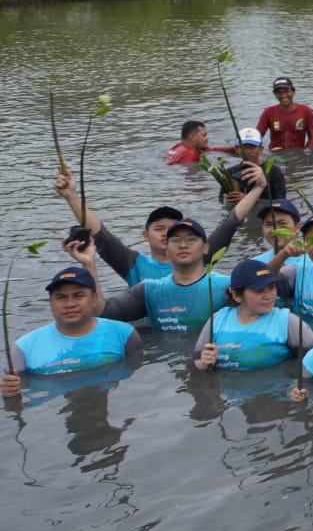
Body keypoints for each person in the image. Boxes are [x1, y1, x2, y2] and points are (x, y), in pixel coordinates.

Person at [53, 168, 259, 286]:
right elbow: (101, 234)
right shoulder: (133, 264)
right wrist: (71, 196)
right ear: (145, 235)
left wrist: (259, 187)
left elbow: (231, 222)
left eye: (174, 230)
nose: (167, 233)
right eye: (159, 228)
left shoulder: (197, 255)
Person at [2, 265, 141, 399]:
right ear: (50, 302)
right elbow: (17, 400)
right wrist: (10, 394)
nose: (70, 304)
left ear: (94, 299)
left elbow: (138, 384)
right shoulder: (23, 349)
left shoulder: (124, 335)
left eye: (78, 295)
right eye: (61, 297)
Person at [97, 218, 234, 332]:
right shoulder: (149, 290)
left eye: (191, 239)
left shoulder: (229, 286)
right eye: (175, 240)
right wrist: (88, 264)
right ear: (167, 250)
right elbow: (104, 312)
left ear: (206, 248)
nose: (183, 245)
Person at [191, 259, 313, 372]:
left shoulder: (289, 323)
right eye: (259, 290)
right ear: (236, 295)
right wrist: (204, 364)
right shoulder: (217, 320)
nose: (268, 296)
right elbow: (197, 360)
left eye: (272, 287)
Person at [216, 128, 287, 204]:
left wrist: (248, 199)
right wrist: (228, 199)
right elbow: (221, 199)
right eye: (244, 147)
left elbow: (281, 202)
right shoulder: (229, 172)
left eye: (252, 147)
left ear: (261, 149)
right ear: (236, 149)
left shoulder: (274, 172)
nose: (248, 151)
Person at [256, 76, 313, 150]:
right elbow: (257, 136)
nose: (283, 95)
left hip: (298, 156)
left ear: (293, 92)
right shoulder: (268, 112)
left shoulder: (306, 111)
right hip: (275, 157)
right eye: (279, 92)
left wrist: (307, 154)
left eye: (286, 91)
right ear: (275, 94)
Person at [251, 198, 302, 265]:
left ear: (298, 227)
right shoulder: (255, 263)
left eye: (282, 223)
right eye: (268, 224)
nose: (274, 231)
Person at [165, 120, 236, 165]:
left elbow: (206, 151)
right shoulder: (191, 154)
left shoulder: (177, 147)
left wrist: (235, 149)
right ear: (192, 137)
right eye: (204, 135)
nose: (207, 138)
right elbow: (193, 179)